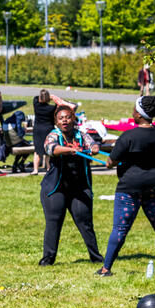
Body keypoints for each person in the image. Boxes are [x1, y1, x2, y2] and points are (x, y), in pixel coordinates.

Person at [98, 96, 155, 277]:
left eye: (134, 108)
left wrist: (110, 161)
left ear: (139, 115)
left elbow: (110, 161)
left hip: (128, 189)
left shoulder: (128, 136)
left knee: (120, 229)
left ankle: (106, 268)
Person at [39, 105, 103, 266]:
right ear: (56, 122)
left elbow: (93, 145)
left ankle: (96, 257)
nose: (65, 120)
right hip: (56, 186)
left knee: (85, 221)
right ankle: (48, 258)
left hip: (79, 187)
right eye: (61, 118)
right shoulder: (54, 135)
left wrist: (95, 148)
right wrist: (68, 150)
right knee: (54, 221)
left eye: (67, 117)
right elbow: (50, 149)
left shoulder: (81, 135)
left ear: (73, 118)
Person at [31, 90, 76, 176]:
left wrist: (45, 96)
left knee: (37, 151)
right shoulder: (51, 108)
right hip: (48, 129)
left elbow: (36, 98)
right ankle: (48, 168)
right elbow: (61, 104)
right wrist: (52, 97)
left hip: (38, 129)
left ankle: (35, 170)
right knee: (48, 150)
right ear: (48, 99)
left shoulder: (36, 104)